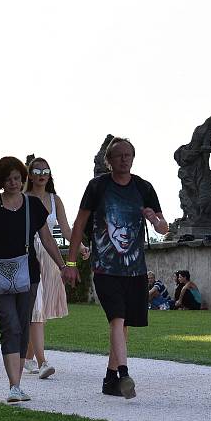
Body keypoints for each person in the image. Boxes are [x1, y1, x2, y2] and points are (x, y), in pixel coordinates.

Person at [0, 157, 77, 403]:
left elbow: (47, 239)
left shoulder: (33, 205)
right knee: (10, 326)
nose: (13, 183)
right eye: (8, 179)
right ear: (0, 181)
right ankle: (14, 386)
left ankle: (19, 384)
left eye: (17, 178)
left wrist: (64, 266)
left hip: (29, 275)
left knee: (23, 326)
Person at [67, 137, 168, 399]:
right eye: (119, 155)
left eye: (128, 155)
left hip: (135, 270)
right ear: (108, 161)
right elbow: (79, 225)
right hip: (105, 267)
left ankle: (110, 379)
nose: (124, 159)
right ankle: (124, 374)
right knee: (117, 319)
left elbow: (164, 228)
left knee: (123, 326)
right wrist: (71, 262)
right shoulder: (97, 186)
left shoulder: (144, 188)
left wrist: (154, 220)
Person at [24, 157, 90, 379]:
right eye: (37, 170)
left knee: (40, 308)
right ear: (30, 174)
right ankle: (42, 361)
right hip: (29, 254)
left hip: (49, 256)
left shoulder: (55, 200)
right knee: (36, 307)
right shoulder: (24, 198)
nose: (42, 174)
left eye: (46, 170)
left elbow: (66, 229)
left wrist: (80, 246)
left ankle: (27, 358)